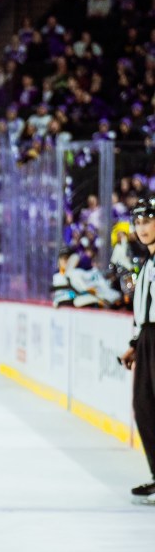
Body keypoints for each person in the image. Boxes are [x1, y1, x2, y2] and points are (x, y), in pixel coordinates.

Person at [121, 198, 155, 502]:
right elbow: (142, 310)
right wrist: (135, 344)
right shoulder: (146, 263)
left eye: (148, 220)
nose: (142, 228)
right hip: (147, 337)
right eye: (138, 222)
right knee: (144, 405)